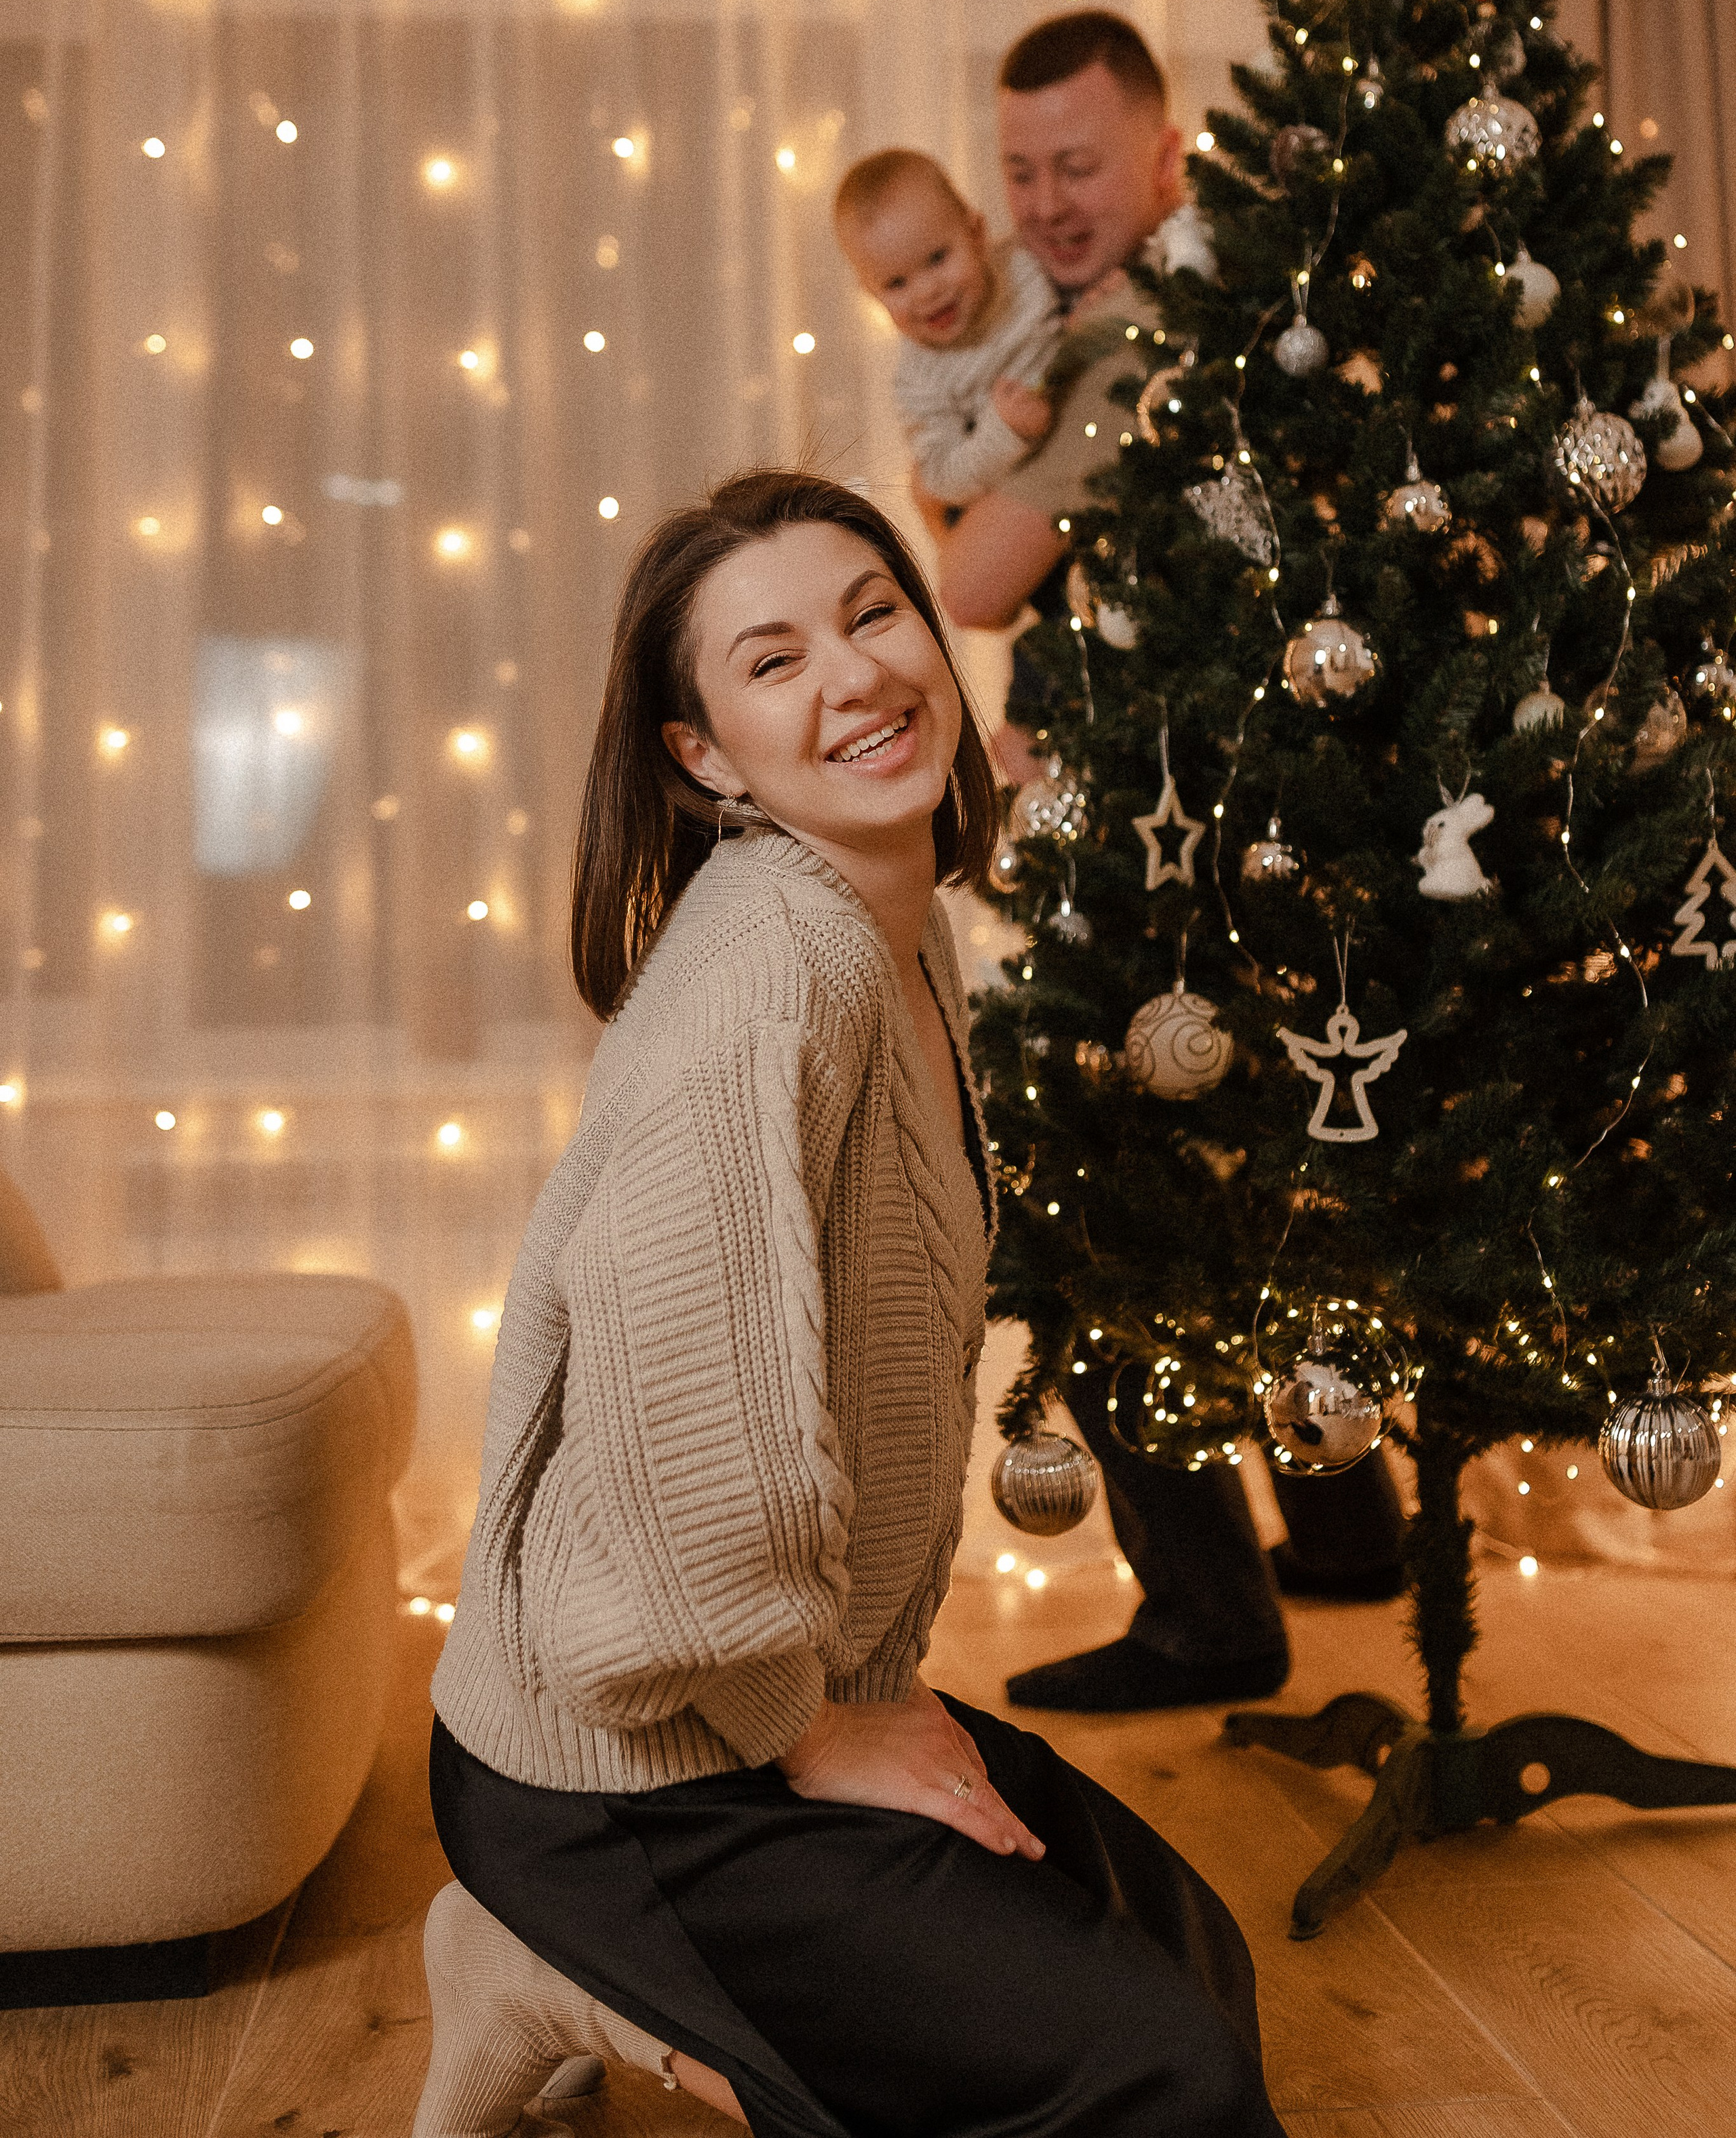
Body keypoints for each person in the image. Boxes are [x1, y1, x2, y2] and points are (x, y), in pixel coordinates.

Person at [429, 469, 1285, 2138]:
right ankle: (557, 1958)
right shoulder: (772, 977)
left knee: (1181, 1957)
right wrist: (807, 1722)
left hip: (738, 1698)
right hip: (626, 1766)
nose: (854, 676)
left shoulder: (890, 923)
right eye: (771, 660)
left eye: (871, 610)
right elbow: (678, 1441)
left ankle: (570, 1968)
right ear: (700, 756)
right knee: (1152, 2080)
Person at [936, 12, 1408, 1716]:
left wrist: (957, 472)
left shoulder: (1135, 336)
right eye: (1019, 170)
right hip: (1249, 824)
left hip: (1155, 847)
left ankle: (1209, 1615)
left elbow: (978, 583)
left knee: (1101, 1190)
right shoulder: (1187, 309)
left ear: (1159, 153)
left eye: (1077, 164)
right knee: (1272, 1172)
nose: (1048, 200)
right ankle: (1351, 1532)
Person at [833, 146, 1057, 505]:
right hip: (1022, 482)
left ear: (976, 233)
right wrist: (1005, 431)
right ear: (872, 295)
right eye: (896, 284)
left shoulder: (1025, 266)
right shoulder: (919, 381)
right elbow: (939, 478)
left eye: (937, 258)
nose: (927, 291)